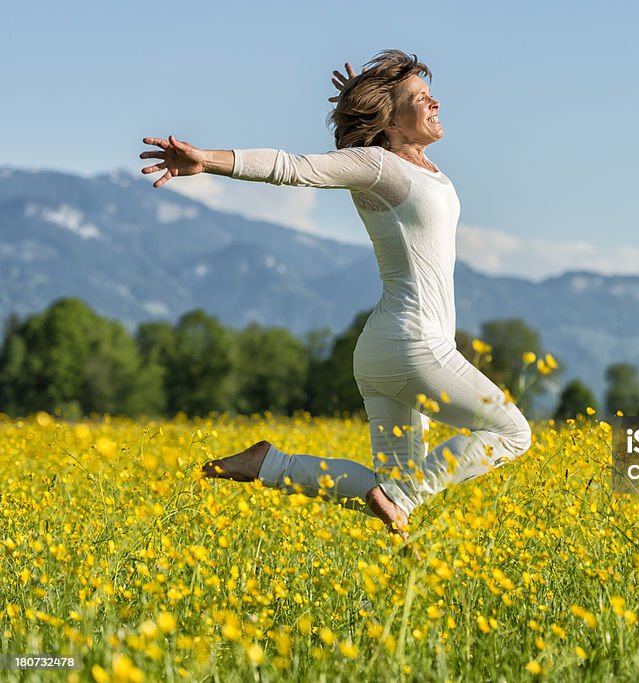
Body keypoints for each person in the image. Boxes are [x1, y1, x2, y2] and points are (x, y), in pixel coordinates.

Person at [139, 50, 533, 542]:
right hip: (416, 347)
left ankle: (269, 464)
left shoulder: (417, 166)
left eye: (431, 96)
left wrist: (362, 95)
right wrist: (209, 160)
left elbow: (387, 130)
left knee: (388, 488)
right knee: (512, 433)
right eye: (421, 99)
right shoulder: (377, 165)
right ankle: (403, 499)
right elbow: (293, 167)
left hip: (388, 349)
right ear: (389, 119)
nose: (435, 105)